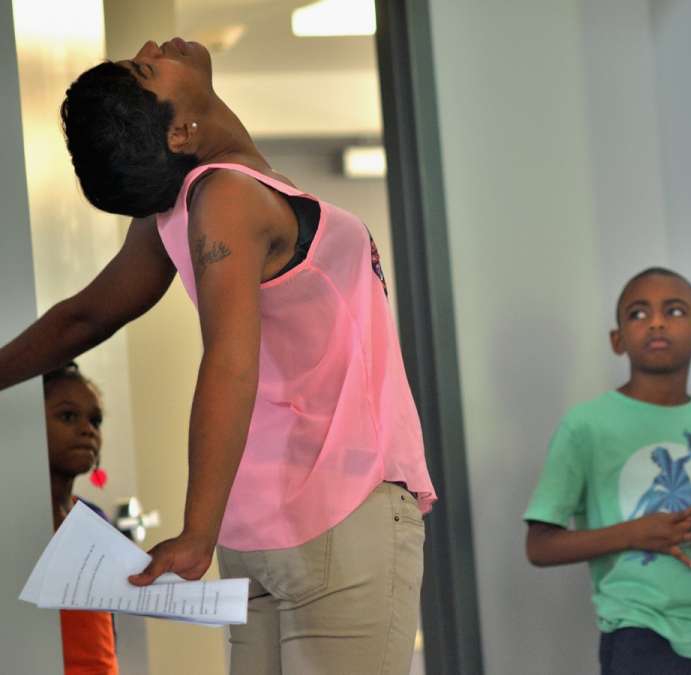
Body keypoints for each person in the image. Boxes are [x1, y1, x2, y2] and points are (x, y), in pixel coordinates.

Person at [0, 38, 432, 674]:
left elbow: (84, 318)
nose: (154, 45)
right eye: (150, 68)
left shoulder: (188, 206)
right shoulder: (225, 197)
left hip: (260, 532)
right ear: (179, 131)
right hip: (337, 513)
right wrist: (196, 531)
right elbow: (229, 359)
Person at [524, 268, 691, 674]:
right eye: (639, 314)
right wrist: (633, 534)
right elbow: (539, 546)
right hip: (640, 629)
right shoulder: (585, 426)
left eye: (674, 310)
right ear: (617, 340)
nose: (656, 322)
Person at [44, 363, 119, 675]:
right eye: (68, 416)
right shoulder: (15, 525)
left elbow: (105, 634)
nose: (88, 429)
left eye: (95, 420)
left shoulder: (95, 520)